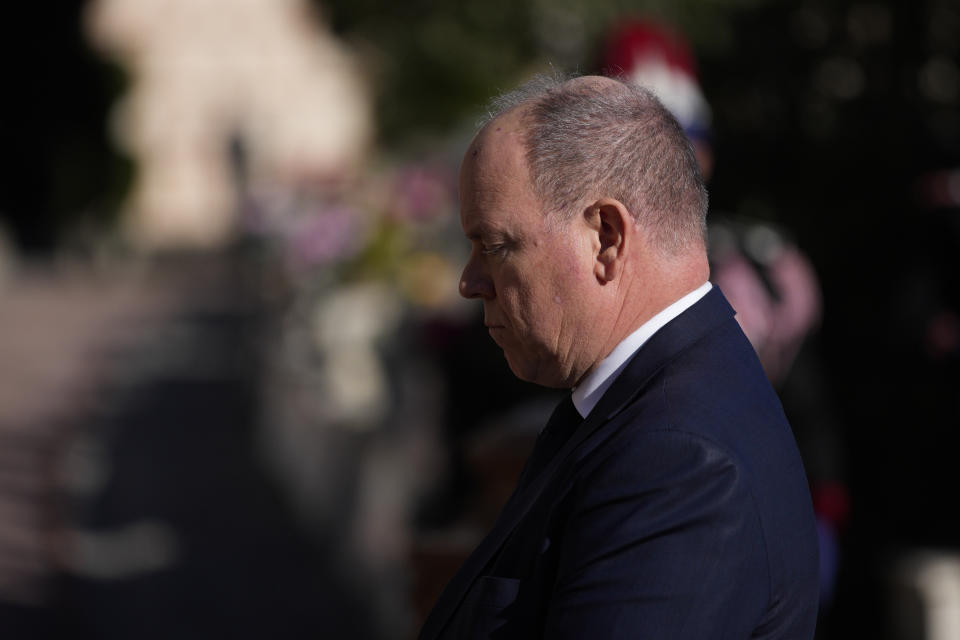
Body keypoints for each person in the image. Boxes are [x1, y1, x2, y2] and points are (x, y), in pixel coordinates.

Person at [419, 74, 818, 639]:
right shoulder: (652, 405)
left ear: (606, 237)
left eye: (495, 245)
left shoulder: (678, 458)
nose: (470, 281)